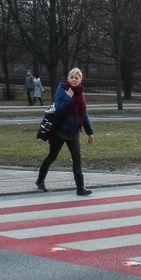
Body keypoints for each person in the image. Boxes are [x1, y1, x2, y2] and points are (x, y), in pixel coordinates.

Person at [36, 67, 94, 196]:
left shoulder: (80, 93)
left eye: (76, 77)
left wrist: (89, 131)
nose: (74, 80)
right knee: (52, 156)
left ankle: (80, 187)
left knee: (77, 159)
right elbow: (59, 109)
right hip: (60, 131)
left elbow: (83, 114)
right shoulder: (62, 90)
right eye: (71, 77)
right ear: (68, 78)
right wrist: (68, 97)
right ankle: (40, 180)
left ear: (80, 79)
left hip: (74, 132)